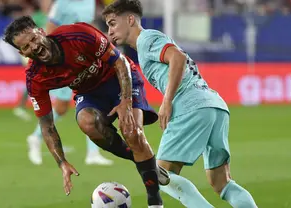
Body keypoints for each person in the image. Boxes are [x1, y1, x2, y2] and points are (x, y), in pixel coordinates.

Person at [102, 0, 258, 207]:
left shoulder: (147, 38)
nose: (109, 31)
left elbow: (178, 57)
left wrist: (166, 101)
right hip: (213, 105)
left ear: (130, 19)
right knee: (222, 182)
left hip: (190, 106)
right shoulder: (144, 46)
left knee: (160, 173)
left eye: (113, 23)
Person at [3, 16, 169, 207]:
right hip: (90, 92)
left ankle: (155, 202)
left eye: (33, 39)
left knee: (132, 132)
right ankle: (146, 162)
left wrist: (125, 101)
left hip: (120, 77)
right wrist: (62, 162)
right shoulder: (35, 77)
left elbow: (119, 62)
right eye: (26, 47)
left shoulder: (78, 35)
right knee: (87, 123)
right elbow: (46, 125)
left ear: (41, 31)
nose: (33, 47)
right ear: (22, 53)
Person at [14, 0, 113, 166]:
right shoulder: (61, 4)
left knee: (91, 99)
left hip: (82, 57)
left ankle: (93, 152)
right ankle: (36, 137)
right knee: (63, 107)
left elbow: (87, 27)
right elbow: (49, 30)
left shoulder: (89, 3)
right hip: (63, 61)